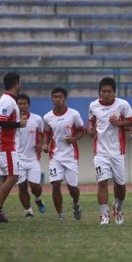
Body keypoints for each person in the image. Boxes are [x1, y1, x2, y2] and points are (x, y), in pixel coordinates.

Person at [87, 77, 132, 225]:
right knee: (102, 183)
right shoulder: (93, 105)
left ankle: (118, 208)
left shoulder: (122, 104)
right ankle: (104, 215)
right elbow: (91, 123)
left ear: (114, 92)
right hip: (100, 152)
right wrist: (90, 130)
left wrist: (119, 123)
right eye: (103, 91)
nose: (106, 94)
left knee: (120, 185)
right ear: (99, 92)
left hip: (117, 152)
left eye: (109, 91)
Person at [0, 71, 28, 223]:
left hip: (5, 145)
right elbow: (1, 121)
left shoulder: (9, 100)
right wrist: (19, 124)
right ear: (16, 84)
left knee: (5, 178)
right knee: (14, 176)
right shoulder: (8, 101)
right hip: (7, 145)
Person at [42, 87, 86, 221]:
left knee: (72, 188)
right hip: (55, 157)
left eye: (60, 96)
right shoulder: (47, 117)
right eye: (55, 97)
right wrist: (45, 144)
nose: (58, 99)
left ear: (65, 98)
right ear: (52, 99)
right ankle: (60, 215)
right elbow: (47, 133)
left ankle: (76, 204)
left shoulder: (73, 114)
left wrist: (73, 139)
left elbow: (81, 130)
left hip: (71, 156)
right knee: (55, 184)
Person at [16, 93, 46, 218]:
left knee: (35, 186)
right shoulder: (12, 121)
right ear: (16, 105)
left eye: (24, 103)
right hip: (17, 158)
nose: (22, 106)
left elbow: (42, 134)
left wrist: (40, 144)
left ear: (29, 105)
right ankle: (28, 211)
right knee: (22, 186)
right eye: (19, 104)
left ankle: (38, 199)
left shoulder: (37, 119)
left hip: (33, 158)